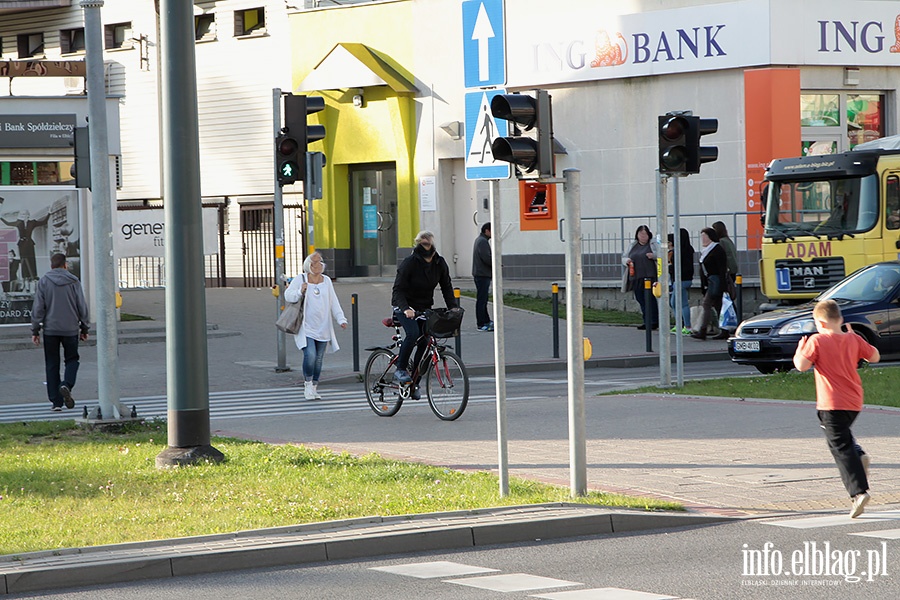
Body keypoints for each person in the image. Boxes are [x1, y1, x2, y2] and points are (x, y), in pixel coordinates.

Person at [793, 299, 880, 518]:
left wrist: (800, 350)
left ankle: (858, 492)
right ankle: (858, 454)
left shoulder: (817, 341)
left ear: (819, 322)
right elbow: (875, 356)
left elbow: (801, 366)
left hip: (831, 403)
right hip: (854, 401)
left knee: (839, 447)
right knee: (842, 437)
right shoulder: (853, 338)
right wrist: (857, 341)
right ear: (840, 319)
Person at [391, 230, 457, 399]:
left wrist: (453, 308)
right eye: (423, 243)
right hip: (404, 306)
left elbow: (446, 286)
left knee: (426, 340)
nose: (426, 246)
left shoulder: (439, 263)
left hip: (424, 307)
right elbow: (398, 289)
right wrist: (406, 309)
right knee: (413, 334)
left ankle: (415, 380)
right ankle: (400, 369)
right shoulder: (410, 263)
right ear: (418, 245)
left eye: (429, 243)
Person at [283, 252, 347, 401]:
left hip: (323, 327)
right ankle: (307, 384)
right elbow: (288, 295)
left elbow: (333, 302)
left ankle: (314, 387)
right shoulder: (301, 279)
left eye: (319, 263)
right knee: (310, 355)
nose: (317, 266)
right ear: (307, 266)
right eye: (313, 263)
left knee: (319, 359)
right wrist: (300, 291)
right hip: (306, 327)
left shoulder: (327, 281)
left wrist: (341, 319)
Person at [30, 253, 89, 412]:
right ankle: (66, 385)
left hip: (50, 330)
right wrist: (84, 327)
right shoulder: (74, 281)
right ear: (65, 265)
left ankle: (56, 402)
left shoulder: (44, 281)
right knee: (72, 359)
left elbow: (38, 308)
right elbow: (81, 306)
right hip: (70, 329)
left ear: (51, 265)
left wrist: (35, 329)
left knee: (51, 363)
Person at [691, 227, 728, 340]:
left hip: (715, 281)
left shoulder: (717, 250)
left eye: (704, 236)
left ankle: (702, 330)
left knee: (707, 304)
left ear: (710, 237)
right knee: (718, 306)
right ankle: (725, 330)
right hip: (710, 282)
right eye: (701, 236)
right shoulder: (706, 251)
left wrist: (723, 286)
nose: (702, 239)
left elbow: (722, 269)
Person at [1, 209, 50, 292]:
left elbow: (44, 222)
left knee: (31, 261)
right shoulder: (18, 222)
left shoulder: (32, 222)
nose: (24, 216)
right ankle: (25, 282)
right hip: (22, 245)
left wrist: (49, 213)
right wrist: (1, 218)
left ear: (28, 215)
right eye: (22, 214)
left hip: (29, 244)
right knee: (24, 262)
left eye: (25, 214)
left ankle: (32, 280)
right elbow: (8, 223)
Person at [622, 224, 659, 330]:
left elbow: (661, 254)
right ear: (637, 235)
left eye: (645, 234)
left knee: (650, 299)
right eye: (640, 234)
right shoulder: (632, 245)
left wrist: (654, 256)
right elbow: (624, 257)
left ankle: (654, 321)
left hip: (650, 277)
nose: (643, 236)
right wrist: (627, 261)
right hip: (636, 277)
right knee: (641, 299)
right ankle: (646, 320)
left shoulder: (653, 244)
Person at [668, 228, 694, 335]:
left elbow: (675, 267)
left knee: (682, 304)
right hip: (681, 279)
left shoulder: (681, 251)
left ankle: (687, 326)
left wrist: (670, 266)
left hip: (681, 279)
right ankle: (679, 325)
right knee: (674, 303)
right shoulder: (686, 250)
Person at [472, 222, 493, 332]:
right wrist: (496, 264)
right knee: (482, 300)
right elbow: (486, 258)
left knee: (483, 299)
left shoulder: (481, 240)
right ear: (487, 231)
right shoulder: (482, 242)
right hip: (482, 274)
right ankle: (481, 323)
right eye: (491, 230)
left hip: (481, 273)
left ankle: (486, 320)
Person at [711, 221, 738, 299]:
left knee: (726, 296)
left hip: (727, 271)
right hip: (732, 270)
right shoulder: (728, 240)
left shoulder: (721, 242)